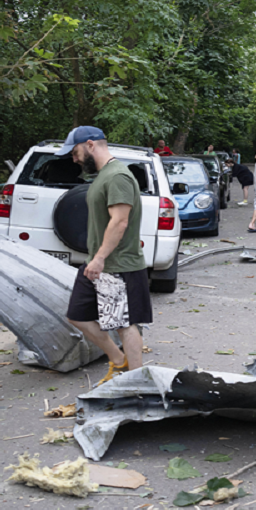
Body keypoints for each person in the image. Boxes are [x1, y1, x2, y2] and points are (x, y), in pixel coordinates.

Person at [58, 126, 153, 383]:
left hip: (118, 263)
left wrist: (99, 257)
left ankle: (136, 381)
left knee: (124, 323)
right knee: (77, 315)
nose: (74, 158)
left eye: (75, 152)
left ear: (90, 145)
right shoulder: (103, 176)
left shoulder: (118, 177)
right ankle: (118, 360)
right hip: (99, 263)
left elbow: (120, 221)